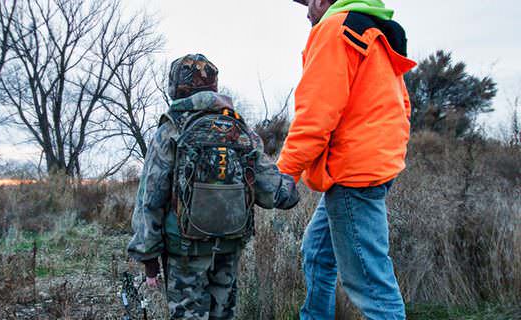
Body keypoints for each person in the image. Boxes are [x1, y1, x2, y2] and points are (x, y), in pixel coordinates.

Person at [127, 53, 300, 319]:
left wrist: (148, 257)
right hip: (229, 246)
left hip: (184, 251)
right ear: (214, 87)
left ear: (176, 87)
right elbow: (276, 192)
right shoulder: (239, 129)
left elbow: (150, 197)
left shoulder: (172, 128)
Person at [278, 0, 417, 319]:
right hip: (371, 165)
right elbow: (403, 107)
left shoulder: (335, 28)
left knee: (371, 286)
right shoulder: (373, 29)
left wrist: (285, 172)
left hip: (354, 173)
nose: (307, 10)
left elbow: (315, 115)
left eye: (309, 1)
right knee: (316, 252)